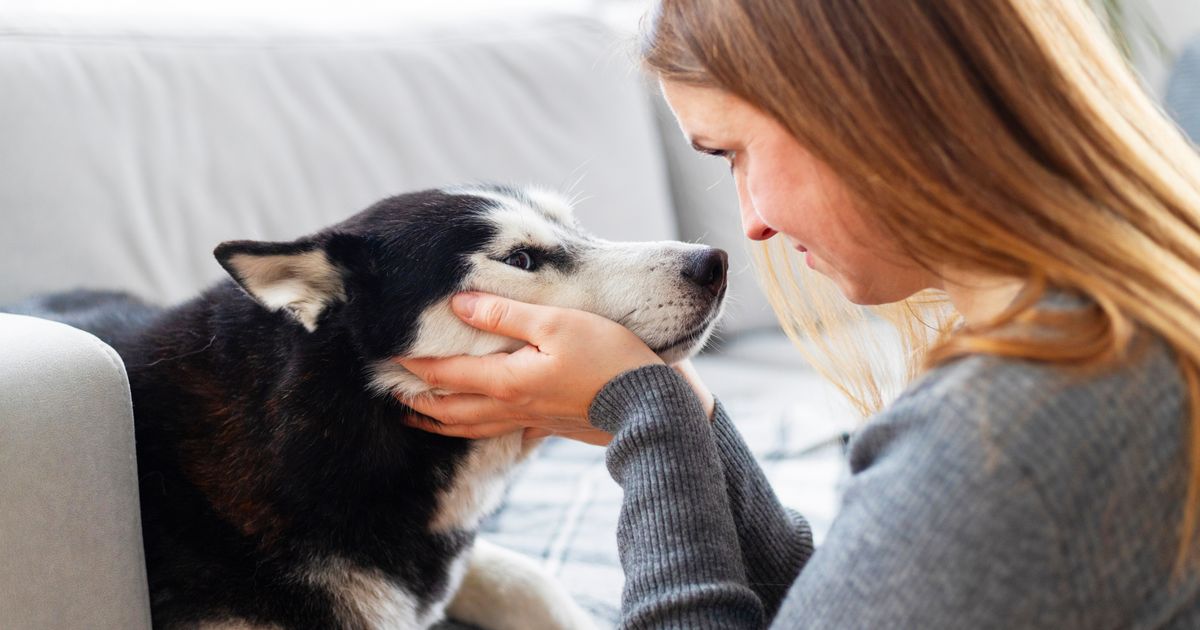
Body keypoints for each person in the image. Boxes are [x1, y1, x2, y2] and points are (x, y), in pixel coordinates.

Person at [398, 0, 1200, 627]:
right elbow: (857, 602)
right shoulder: (1121, 333)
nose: (752, 223)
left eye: (734, 152)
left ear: (861, 109)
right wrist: (690, 419)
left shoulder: (1009, 432)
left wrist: (644, 417)